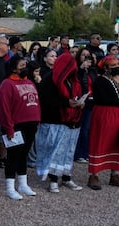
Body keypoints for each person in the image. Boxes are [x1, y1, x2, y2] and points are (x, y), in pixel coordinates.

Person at [35, 52, 84, 193]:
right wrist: (65, 103)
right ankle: (53, 179)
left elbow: (79, 93)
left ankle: (66, 176)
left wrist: (80, 103)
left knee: (68, 151)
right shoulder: (50, 79)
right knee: (54, 151)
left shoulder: (73, 79)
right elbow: (45, 100)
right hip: (55, 120)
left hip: (72, 120)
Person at [0, 55, 41, 200]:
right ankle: (10, 187)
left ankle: (23, 184)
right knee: (13, 156)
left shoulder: (29, 81)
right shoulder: (7, 84)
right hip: (16, 126)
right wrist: (9, 128)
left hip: (31, 124)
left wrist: (37, 119)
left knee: (24, 154)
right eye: (22, 65)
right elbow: (3, 108)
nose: (25, 68)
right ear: (14, 68)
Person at [87, 56, 119, 190]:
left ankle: (115, 174)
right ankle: (94, 175)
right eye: (112, 66)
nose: (116, 67)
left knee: (118, 143)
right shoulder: (100, 81)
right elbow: (103, 99)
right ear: (106, 68)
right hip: (104, 114)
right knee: (100, 143)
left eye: (117, 64)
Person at [74, 48, 96, 163]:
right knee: (82, 129)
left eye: (88, 56)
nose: (86, 57)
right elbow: (77, 82)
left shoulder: (92, 71)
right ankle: (78, 154)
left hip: (91, 101)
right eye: (83, 55)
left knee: (88, 129)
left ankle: (86, 152)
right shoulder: (77, 70)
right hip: (82, 102)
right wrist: (82, 69)